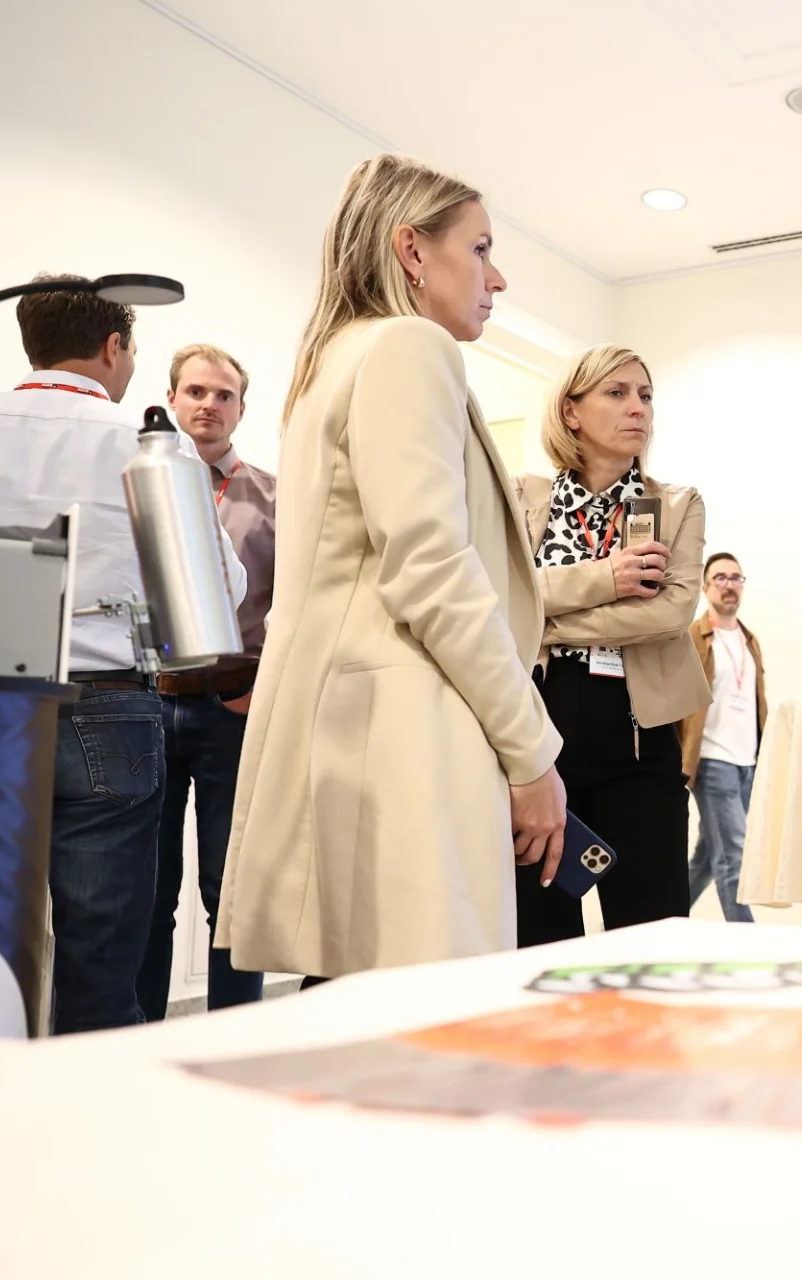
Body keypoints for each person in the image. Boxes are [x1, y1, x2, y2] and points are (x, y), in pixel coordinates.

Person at [215, 154, 567, 982]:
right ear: (412, 249)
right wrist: (531, 752)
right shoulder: (409, 347)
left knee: (356, 997)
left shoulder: (333, 359)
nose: (496, 277)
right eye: (479, 249)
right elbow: (432, 568)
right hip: (405, 730)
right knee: (425, 1010)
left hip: (344, 727)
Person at [0, 275, 245, 1032]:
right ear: (113, 347)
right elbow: (219, 589)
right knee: (101, 961)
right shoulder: (147, 445)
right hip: (109, 703)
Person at [514, 343, 708, 944]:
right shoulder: (522, 498)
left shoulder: (675, 504)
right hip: (538, 739)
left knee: (653, 936)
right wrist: (606, 579)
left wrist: (547, 622)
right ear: (570, 411)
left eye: (645, 395)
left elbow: (669, 614)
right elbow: (504, 593)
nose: (638, 408)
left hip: (638, 737)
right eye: (617, 393)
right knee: (540, 938)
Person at [136, 344, 273, 1019]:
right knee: (147, 893)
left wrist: (257, 691)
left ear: (242, 409)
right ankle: (143, 1038)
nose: (209, 405)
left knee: (230, 894)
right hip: (148, 710)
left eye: (224, 395)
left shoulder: (275, 498)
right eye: (195, 391)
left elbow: (299, 607)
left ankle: (233, 1037)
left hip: (234, 712)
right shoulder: (136, 485)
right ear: (172, 399)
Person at [679, 552, 768, 923]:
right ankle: (747, 942)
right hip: (712, 760)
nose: (729, 585)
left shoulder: (749, 640)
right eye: (720, 578)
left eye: (736, 578)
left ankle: (656, 917)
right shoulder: (693, 638)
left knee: (706, 858)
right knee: (733, 856)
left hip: (747, 762)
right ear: (705, 587)